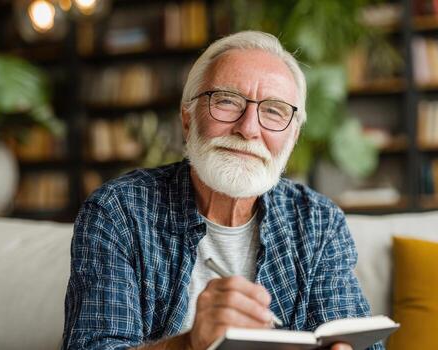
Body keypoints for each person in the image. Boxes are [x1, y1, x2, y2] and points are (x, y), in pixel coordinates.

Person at [63, 31, 383, 350]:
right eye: (227, 101)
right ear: (187, 118)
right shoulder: (118, 211)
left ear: (293, 136)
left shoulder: (319, 223)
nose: (248, 129)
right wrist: (189, 344)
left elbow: (355, 338)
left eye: (273, 111)